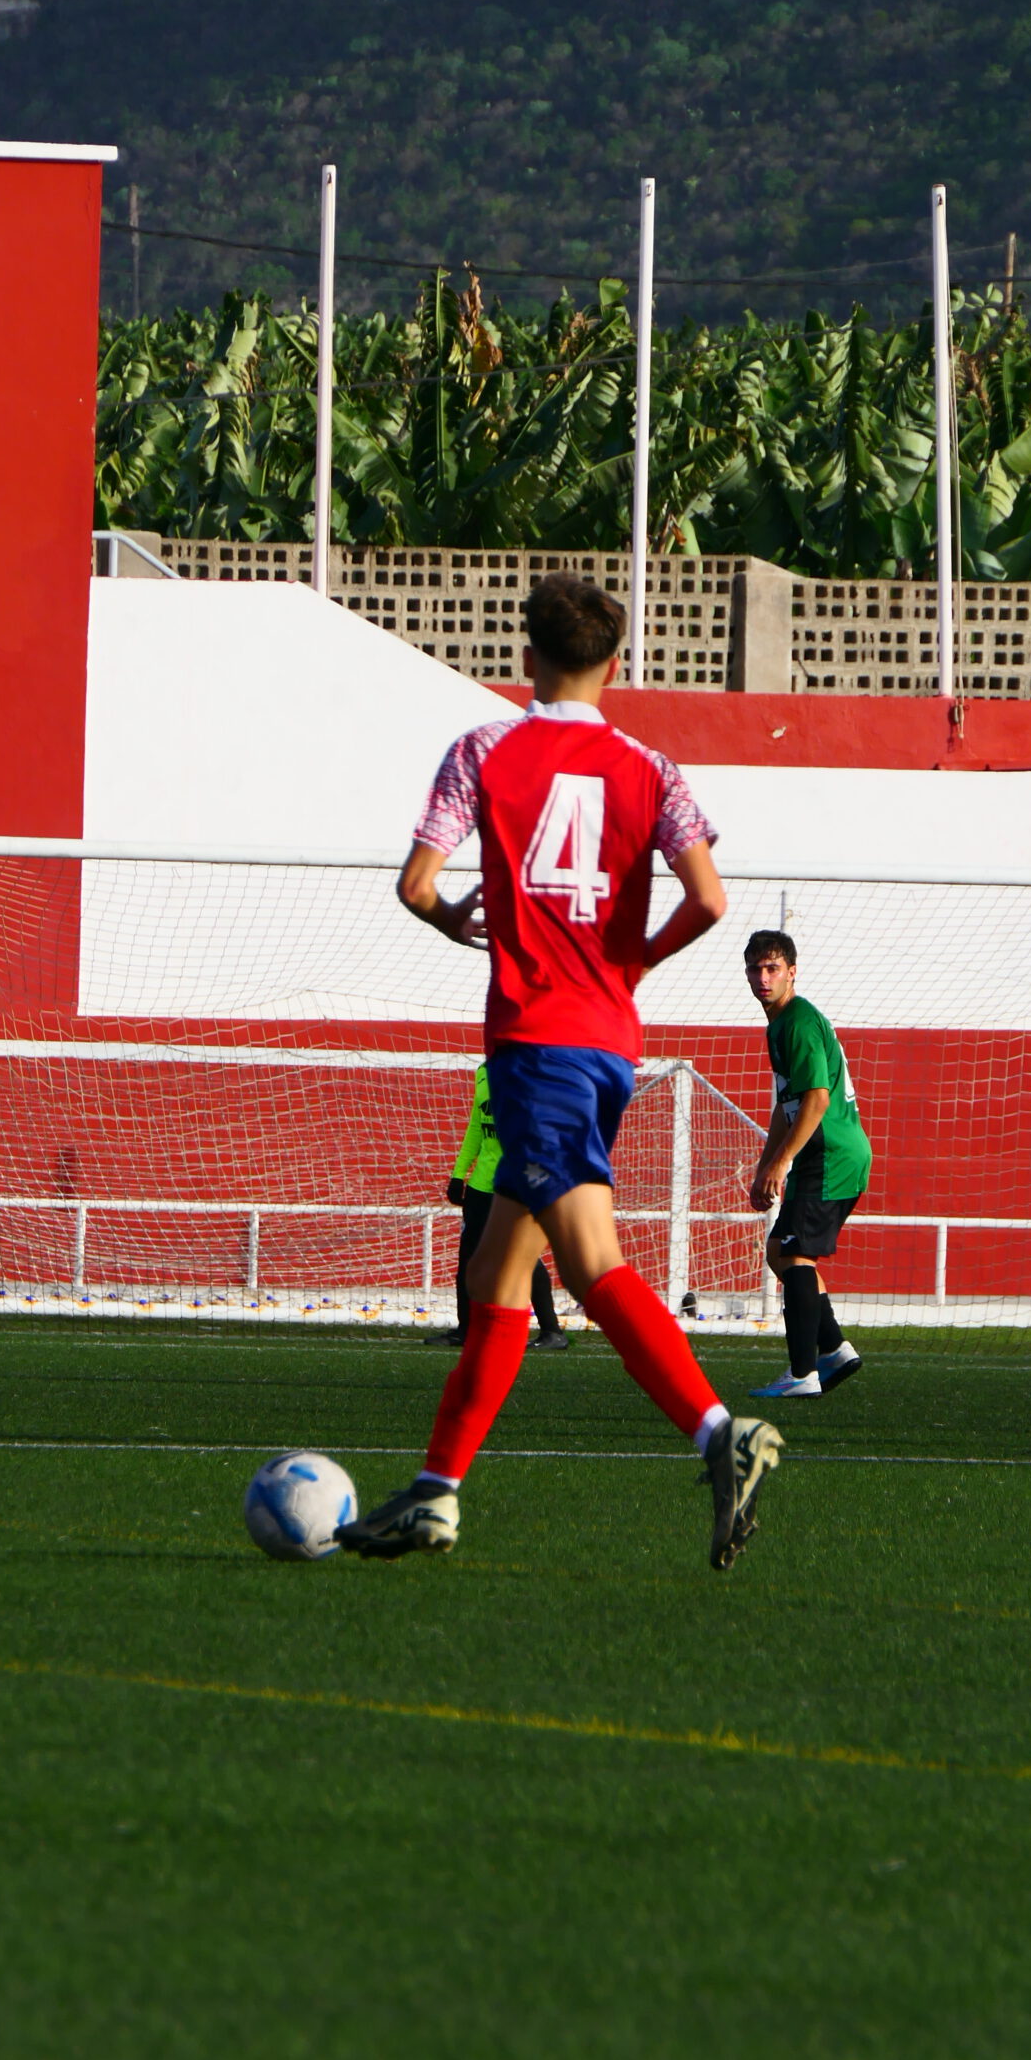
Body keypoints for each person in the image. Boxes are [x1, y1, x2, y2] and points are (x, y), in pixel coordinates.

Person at [338, 571, 784, 1569]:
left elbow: (416, 883)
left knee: (586, 1260)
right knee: (499, 1274)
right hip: (607, 1044)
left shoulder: (482, 751)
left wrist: (451, 919)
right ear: (614, 665)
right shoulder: (652, 768)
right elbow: (710, 901)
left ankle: (720, 1432)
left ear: (525, 657)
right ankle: (436, 1494)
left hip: (535, 1044)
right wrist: (636, 961)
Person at [743, 930, 870, 1398]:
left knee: (796, 1254)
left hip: (830, 1153)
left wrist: (783, 1162)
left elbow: (816, 1099)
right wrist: (766, 1165)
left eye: (772, 968)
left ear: (792, 972)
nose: (763, 977)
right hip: (820, 1152)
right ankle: (833, 1349)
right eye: (756, 968)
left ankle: (802, 1373)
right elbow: (788, 1104)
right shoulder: (780, 1024)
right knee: (780, 1251)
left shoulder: (798, 1021)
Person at [443, 1060, 567, 1350]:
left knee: (523, 1256)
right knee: (469, 1259)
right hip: (480, 1186)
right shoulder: (483, 1072)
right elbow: (477, 1125)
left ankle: (552, 1331)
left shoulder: (534, 1072)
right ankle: (466, 1329)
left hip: (516, 1185)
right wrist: (459, 1174)